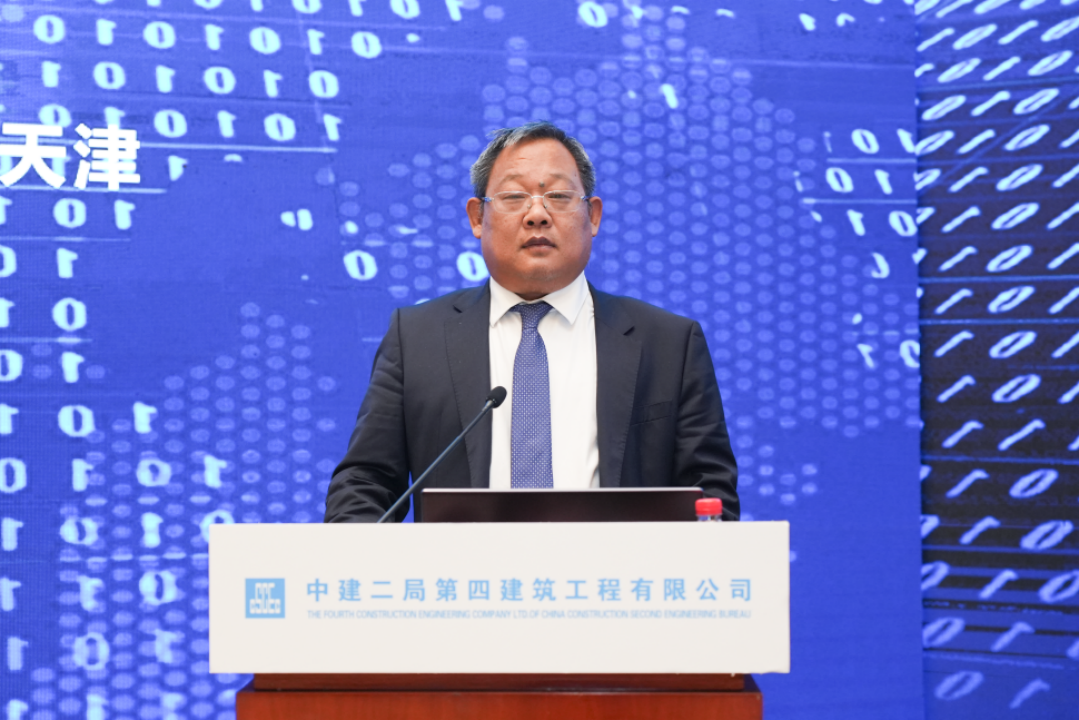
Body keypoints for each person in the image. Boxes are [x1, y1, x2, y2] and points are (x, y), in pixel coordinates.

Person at [324, 121, 738, 522]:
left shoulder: (667, 344)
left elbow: (709, 496)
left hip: (618, 569)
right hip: (462, 569)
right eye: (513, 196)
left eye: (558, 195)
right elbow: (366, 482)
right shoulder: (417, 338)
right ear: (477, 217)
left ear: (593, 216)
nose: (537, 214)